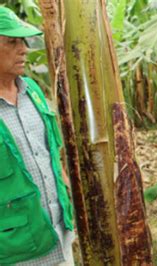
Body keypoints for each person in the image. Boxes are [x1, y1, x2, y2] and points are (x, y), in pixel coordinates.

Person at [0, 7, 75, 265]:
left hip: (59, 232)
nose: (23, 49)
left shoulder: (32, 91)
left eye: (23, 41)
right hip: (17, 247)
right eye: (12, 42)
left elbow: (51, 151)